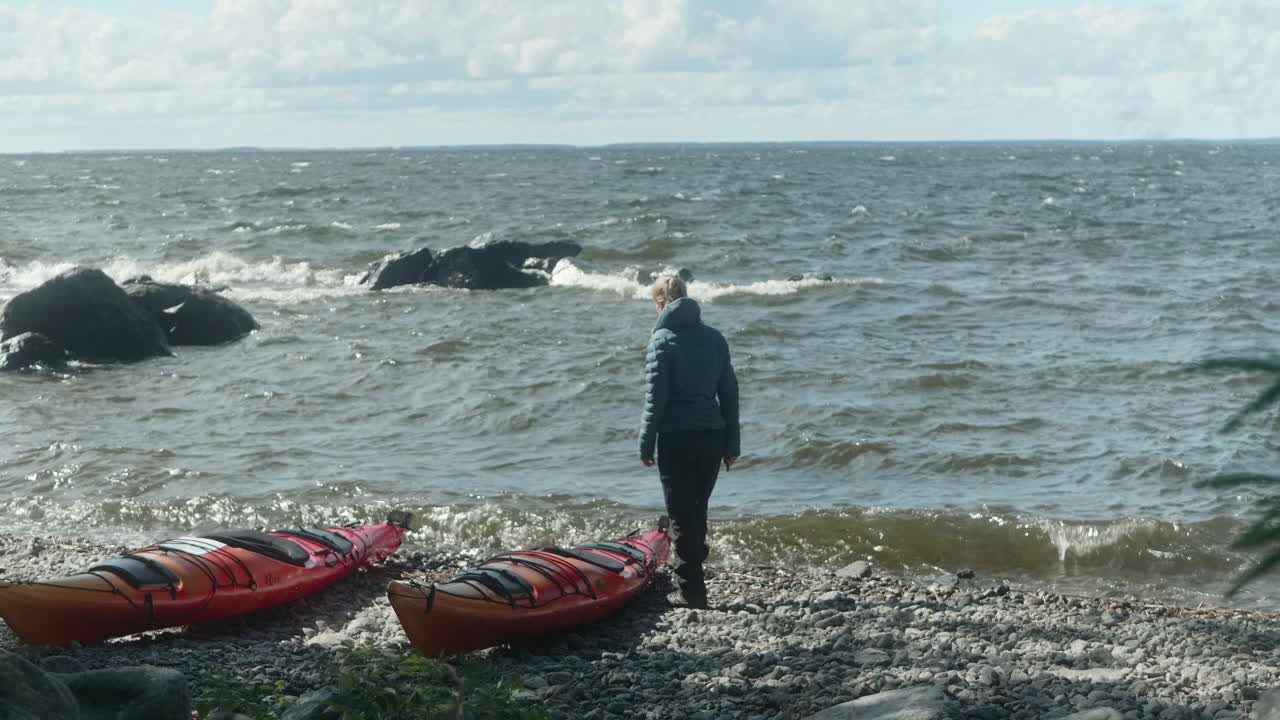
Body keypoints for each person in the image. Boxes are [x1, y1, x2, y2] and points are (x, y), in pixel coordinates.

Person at [638, 275, 740, 609]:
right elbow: (729, 394)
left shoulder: (662, 340)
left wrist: (645, 443)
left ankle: (692, 593)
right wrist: (732, 443)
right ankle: (695, 569)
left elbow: (656, 401)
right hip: (713, 435)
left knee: (681, 514)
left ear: (660, 303)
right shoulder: (714, 338)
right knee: (697, 509)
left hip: (677, 438)